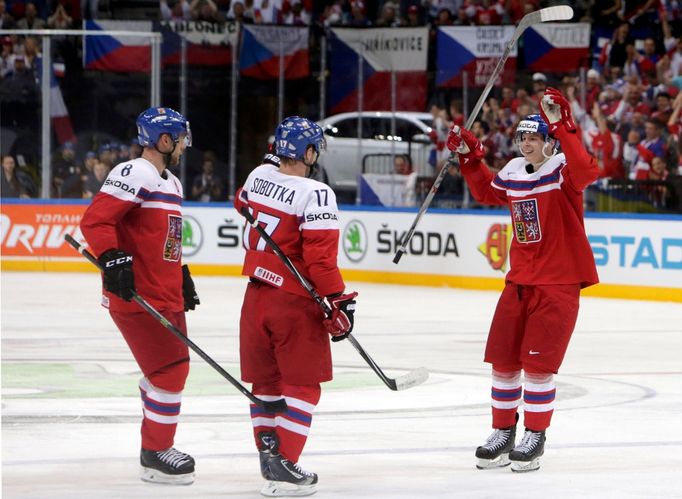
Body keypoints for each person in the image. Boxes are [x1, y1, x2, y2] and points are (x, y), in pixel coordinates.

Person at [446, 87, 599, 473]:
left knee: (538, 366)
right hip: (519, 282)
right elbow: (484, 190)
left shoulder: (563, 170)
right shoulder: (514, 171)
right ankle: (502, 431)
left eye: (534, 137)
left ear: (549, 142)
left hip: (557, 283)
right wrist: (470, 157)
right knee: (503, 361)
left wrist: (564, 128)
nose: (527, 143)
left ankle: (535, 434)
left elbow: (588, 170)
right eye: (522, 137)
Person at [234, 116, 358, 497]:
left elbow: (241, 201)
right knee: (303, 387)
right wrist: (338, 301)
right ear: (307, 152)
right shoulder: (317, 193)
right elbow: (320, 262)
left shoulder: (256, 177)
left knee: (266, 383)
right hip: (293, 302)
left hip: (255, 299)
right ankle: (284, 466)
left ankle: (270, 456)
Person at [79, 107, 201, 485]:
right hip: (139, 295)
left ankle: (156, 445)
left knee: (167, 368)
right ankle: (155, 452)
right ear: (165, 141)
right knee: (171, 370)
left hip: (165, 292)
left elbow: (162, 237)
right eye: (180, 138)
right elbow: (96, 221)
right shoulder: (136, 172)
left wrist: (179, 272)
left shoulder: (173, 183)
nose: (184, 145)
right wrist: (113, 259)